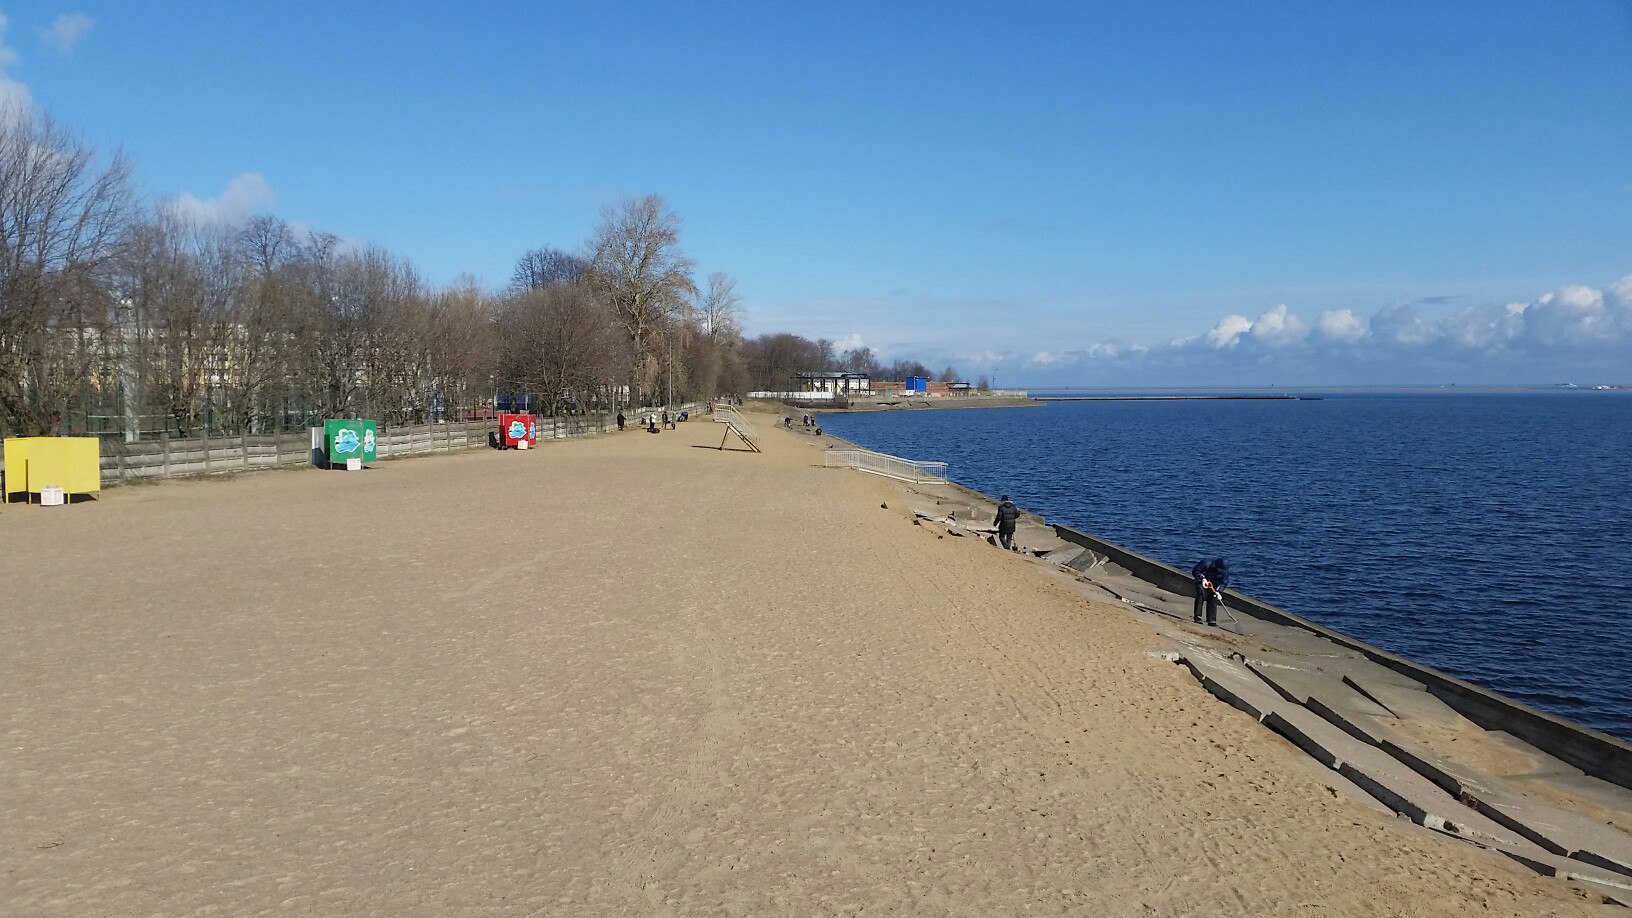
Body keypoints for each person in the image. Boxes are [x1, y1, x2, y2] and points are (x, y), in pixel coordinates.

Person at [1191, 557, 1229, 626]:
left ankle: (1211, 620)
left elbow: (1224, 583)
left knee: (1213, 597)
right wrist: (1202, 578)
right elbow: (1195, 571)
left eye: (1222, 570)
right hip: (1202, 581)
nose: (1221, 571)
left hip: (1213, 585)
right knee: (1201, 593)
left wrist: (1219, 591)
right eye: (1220, 569)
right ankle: (1198, 616)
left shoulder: (1225, 571)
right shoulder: (1206, 563)